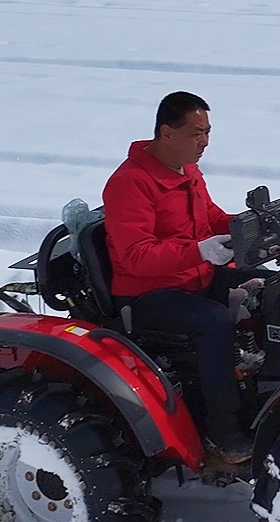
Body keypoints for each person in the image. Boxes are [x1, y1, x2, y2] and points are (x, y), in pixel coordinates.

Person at [102, 91, 262, 462]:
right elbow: (136, 256)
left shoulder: (187, 170)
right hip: (148, 294)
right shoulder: (131, 183)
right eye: (195, 133)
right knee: (215, 323)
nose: (204, 142)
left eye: (207, 132)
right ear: (166, 133)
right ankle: (222, 432)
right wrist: (199, 251)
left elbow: (211, 217)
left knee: (274, 289)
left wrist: (251, 226)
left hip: (196, 277)